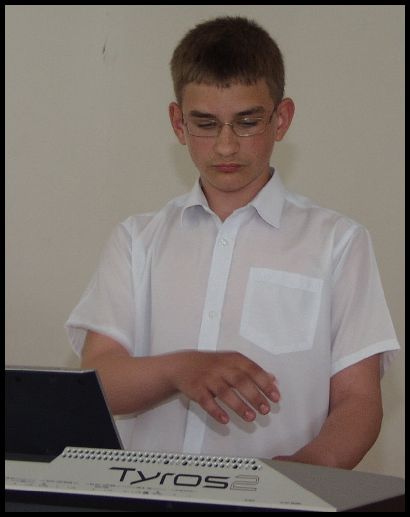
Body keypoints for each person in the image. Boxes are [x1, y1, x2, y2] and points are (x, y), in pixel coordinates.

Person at [65, 16, 399, 468]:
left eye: (247, 122)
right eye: (205, 123)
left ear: (281, 119)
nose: (225, 146)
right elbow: (97, 383)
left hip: (281, 494)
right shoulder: (136, 241)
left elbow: (359, 402)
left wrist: (301, 478)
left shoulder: (338, 243)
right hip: (142, 492)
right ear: (178, 123)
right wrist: (180, 369)